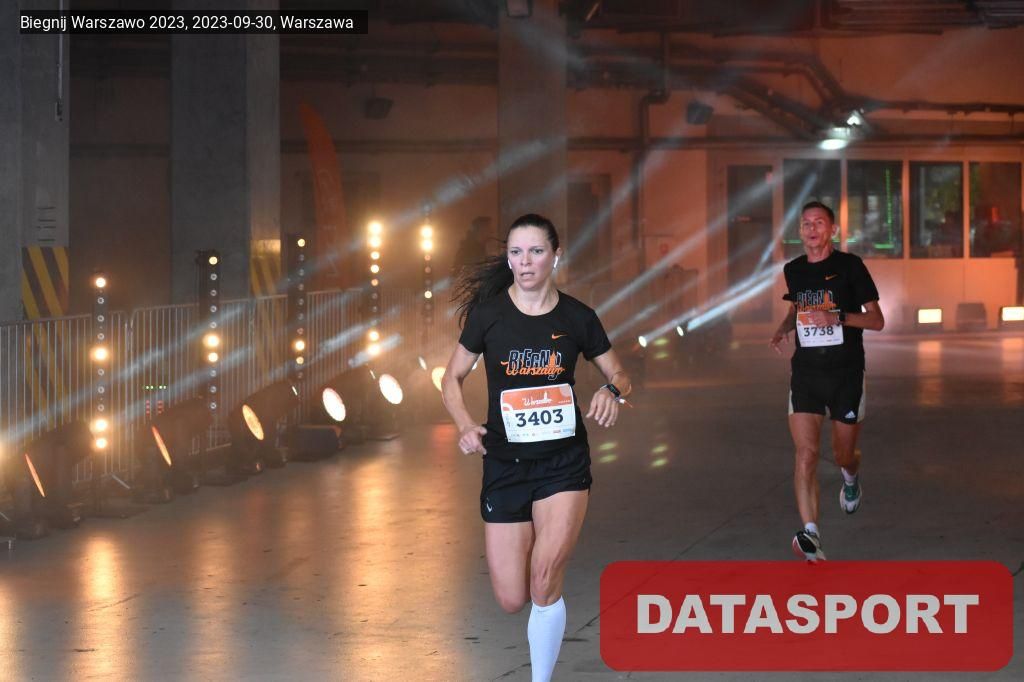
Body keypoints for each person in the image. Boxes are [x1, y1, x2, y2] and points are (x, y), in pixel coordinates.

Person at [441, 213, 631, 682]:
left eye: (536, 251)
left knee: (544, 578)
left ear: (555, 256)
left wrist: (612, 391)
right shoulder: (489, 316)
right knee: (512, 597)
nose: (525, 262)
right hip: (505, 464)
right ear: (508, 259)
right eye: (516, 252)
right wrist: (465, 425)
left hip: (563, 464)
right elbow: (451, 378)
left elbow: (620, 373)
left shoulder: (577, 318)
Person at [769, 201, 884, 562]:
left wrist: (836, 317)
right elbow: (797, 308)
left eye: (819, 223)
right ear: (800, 231)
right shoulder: (793, 270)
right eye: (806, 223)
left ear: (832, 230)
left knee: (842, 455)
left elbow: (876, 320)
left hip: (846, 374)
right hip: (806, 374)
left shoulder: (851, 266)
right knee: (806, 454)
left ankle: (851, 478)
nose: (812, 229)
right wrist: (784, 328)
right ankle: (811, 534)